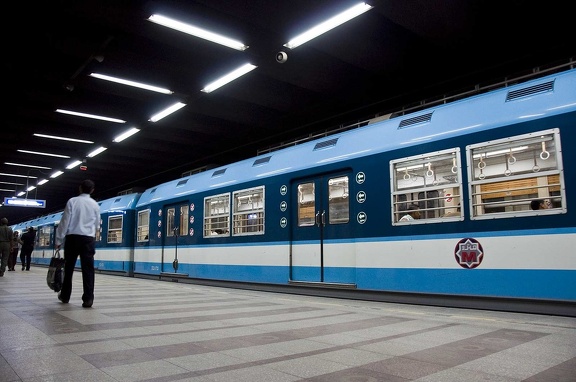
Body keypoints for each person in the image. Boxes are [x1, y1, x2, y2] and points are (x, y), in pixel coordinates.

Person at [55, 179, 101, 308]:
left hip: (72, 238)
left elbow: (65, 222)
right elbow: (97, 224)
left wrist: (58, 240)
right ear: (92, 190)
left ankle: (65, 295)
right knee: (88, 270)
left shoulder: (72, 201)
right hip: (88, 239)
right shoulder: (95, 205)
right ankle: (88, 299)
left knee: (69, 268)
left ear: (80, 188)